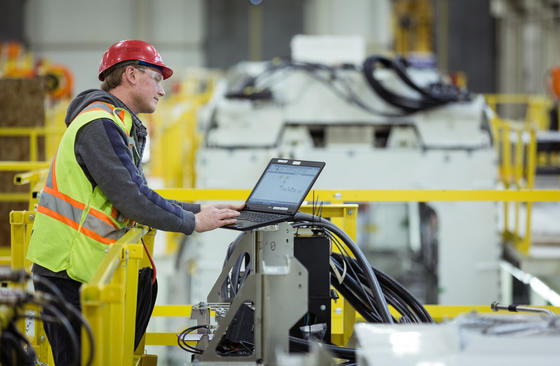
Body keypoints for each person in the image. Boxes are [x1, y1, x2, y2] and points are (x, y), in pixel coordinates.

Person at [26, 40, 242, 365]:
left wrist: (200, 211)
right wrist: (192, 223)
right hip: (67, 273)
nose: (162, 91)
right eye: (156, 79)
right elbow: (132, 198)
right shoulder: (99, 125)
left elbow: (139, 192)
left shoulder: (117, 123)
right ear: (130, 74)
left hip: (81, 272)